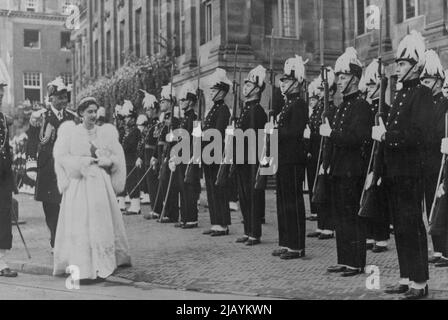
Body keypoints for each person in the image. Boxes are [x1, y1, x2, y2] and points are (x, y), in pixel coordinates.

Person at [372, 30, 431, 300]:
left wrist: (388, 136)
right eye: (398, 63)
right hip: (396, 172)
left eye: (404, 64)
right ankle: (407, 278)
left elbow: (418, 134)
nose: (399, 67)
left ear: (416, 66)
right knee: (401, 227)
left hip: (410, 171)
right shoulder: (400, 95)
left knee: (412, 226)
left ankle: (420, 282)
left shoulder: (422, 95)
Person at [53, 97, 131, 281]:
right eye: (89, 112)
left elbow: (116, 157)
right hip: (80, 184)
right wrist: (81, 162)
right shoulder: (71, 133)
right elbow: (62, 158)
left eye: (95, 111)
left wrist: (108, 161)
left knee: (101, 221)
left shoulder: (106, 133)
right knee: (81, 222)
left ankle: (104, 261)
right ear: (81, 113)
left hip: (100, 185)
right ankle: (83, 265)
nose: (94, 115)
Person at [322, 47, 371, 277]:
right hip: (340, 169)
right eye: (338, 77)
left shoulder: (361, 106)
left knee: (352, 217)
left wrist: (331, 134)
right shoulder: (343, 106)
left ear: (354, 78)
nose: (338, 81)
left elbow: (356, 138)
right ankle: (344, 258)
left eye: (342, 77)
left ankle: (356, 262)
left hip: (353, 170)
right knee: (341, 216)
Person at [271, 55, 308, 260]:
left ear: (296, 82)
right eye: (282, 80)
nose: (282, 84)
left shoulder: (299, 105)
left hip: (293, 158)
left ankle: (296, 245)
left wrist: (275, 130)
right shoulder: (287, 105)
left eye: (286, 80)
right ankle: (285, 242)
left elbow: (294, 131)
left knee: (293, 202)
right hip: (283, 158)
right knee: (283, 201)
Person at [33, 77, 75, 251]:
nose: (63, 100)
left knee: (67, 204)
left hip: (66, 168)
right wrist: (30, 166)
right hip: (47, 168)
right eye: (59, 97)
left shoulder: (72, 117)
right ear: (51, 98)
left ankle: (65, 239)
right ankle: (55, 240)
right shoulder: (41, 117)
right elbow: (31, 142)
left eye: (65, 97)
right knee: (50, 207)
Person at [419, 50, 448, 264]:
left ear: (438, 82)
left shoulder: (445, 103)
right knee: (431, 204)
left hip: (440, 160)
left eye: (428, 80)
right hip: (427, 162)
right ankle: (438, 249)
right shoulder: (425, 104)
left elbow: (440, 130)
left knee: (442, 205)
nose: (425, 84)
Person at [234, 65, 267, 246]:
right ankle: (248, 230)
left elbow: (254, 138)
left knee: (252, 197)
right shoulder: (247, 109)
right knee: (244, 196)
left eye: (248, 85)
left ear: (256, 89)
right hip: (243, 158)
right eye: (245, 85)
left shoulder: (257, 111)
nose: (245, 88)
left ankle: (255, 233)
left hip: (251, 159)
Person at [363, 59, 391, 253]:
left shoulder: (386, 110)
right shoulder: (367, 109)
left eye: (373, 85)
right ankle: (371, 233)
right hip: (367, 159)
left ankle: (381, 237)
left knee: (379, 197)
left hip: (382, 161)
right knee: (368, 195)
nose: (369, 88)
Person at [307, 68, 337, 240]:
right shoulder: (319, 110)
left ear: (330, 92)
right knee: (316, 189)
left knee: (325, 189)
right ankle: (321, 224)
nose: (319, 93)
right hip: (314, 154)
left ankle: (328, 226)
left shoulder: (331, 110)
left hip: (325, 154)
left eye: (322, 89)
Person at [202, 69, 232, 237]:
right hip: (209, 154)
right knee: (212, 190)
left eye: (213, 90)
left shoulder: (223, 110)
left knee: (219, 189)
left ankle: (223, 223)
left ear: (221, 92)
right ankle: (215, 222)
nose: (211, 93)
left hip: (216, 154)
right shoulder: (213, 109)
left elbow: (218, 134)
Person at [174, 82, 200, 229]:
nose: (181, 102)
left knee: (189, 188)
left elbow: (196, 140)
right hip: (181, 157)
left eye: (183, 100)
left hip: (189, 158)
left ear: (190, 101)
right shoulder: (184, 119)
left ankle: (191, 218)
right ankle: (184, 217)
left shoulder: (194, 119)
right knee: (182, 187)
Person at [0, 68, 18, 277]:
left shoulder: (4, 120)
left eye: (1, 94)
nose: (0, 97)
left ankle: (1, 260)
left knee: (4, 216)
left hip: (3, 175)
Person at [117, 100, 142, 215]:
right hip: (125, 161)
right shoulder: (125, 131)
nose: (125, 120)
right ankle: (131, 205)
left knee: (133, 182)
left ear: (133, 118)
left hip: (132, 160)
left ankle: (136, 206)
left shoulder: (136, 131)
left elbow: (135, 146)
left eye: (127, 117)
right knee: (127, 182)